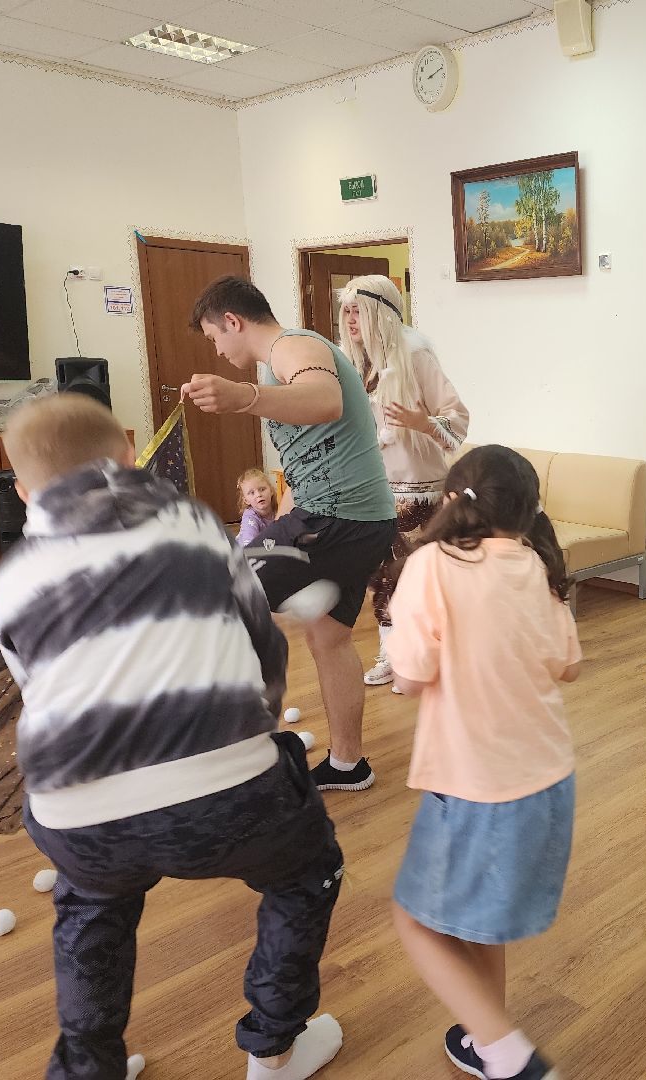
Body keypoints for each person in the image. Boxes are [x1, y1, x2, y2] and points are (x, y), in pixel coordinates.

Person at [0, 394, 345, 1080]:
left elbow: (38, 691)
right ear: (130, 457)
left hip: (79, 817)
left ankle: (88, 1070)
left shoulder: (12, 577)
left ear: (26, 491)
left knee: (91, 908)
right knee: (306, 871)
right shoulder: (195, 524)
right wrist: (252, 732)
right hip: (229, 798)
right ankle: (274, 1050)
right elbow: (263, 644)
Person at [387, 445, 579, 1080]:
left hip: (476, 787)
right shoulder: (536, 565)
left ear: (451, 500)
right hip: (548, 781)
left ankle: (508, 1053)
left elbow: (411, 677)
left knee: (414, 921)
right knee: (479, 926)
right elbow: (566, 665)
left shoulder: (431, 565)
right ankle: (485, 1039)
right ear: (528, 515)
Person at [184, 276, 396, 792]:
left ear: (233, 321)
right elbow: (312, 457)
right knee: (329, 637)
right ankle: (349, 765)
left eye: (215, 336)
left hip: (338, 519)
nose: (216, 347)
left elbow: (325, 400)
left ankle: (240, 770)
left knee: (217, 608)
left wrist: (244, 397)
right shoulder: (283, 359)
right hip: (355, 520)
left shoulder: (293, 346)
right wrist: (280, 523)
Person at [336, 275, 470, 689]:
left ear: (380, 310)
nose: (351, 318)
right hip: (373, 491)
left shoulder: (416, 357)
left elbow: (458, 421)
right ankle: (392, 655)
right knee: (384, 578)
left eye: (359, 309)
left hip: (422, 493)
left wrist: (421, 422)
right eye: (346, 310)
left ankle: (432, 656)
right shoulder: (351, 362)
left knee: (422, 579)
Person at [236, 466, 280, 547]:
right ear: (246, 500)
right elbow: (249, 545)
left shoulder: (278, 510)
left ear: (271, 491)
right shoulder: (250, 517)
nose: (258, 495)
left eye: (262, 489)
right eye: (252, 493)